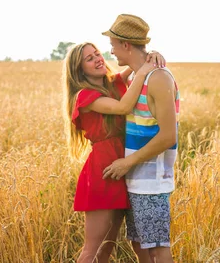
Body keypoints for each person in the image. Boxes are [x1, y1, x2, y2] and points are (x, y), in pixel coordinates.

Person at [62, 41, 165, 263]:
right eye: (89, 59)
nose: (98, 59)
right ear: (79, 70)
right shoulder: (84, 96)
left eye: (97, 53)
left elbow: (137, 62)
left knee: (107, 249)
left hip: (125, 165)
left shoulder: (113, 82)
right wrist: (143, 71)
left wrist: (152, 55)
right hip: (105, 170)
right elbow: (122, 107)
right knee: (92, 250)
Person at [101, 14, 180, 263]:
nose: (111, 50)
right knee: (140, 247)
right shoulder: (138, 77)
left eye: (113, 44)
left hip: (152, 182)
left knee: (157, 247)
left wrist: (127, 162)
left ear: (125, 45)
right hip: (137, 181)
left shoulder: (158, 78)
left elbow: (168, 136)